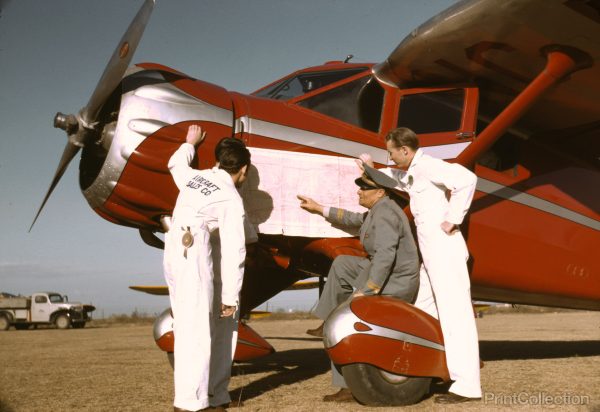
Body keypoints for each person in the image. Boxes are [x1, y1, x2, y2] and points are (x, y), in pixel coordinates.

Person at [358, 127, 481, 404]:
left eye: (391, 152)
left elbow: (467, 179)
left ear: (405, 149)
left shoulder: (429, 166)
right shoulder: (413, 170)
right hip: (431, 253)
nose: (389, 157)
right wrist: (368, 167)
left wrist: (454, 217)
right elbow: (393, 178)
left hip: (444, 248)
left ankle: (467, 385)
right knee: (422, 308)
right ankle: (429, 369)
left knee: (455, 315)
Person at [297, 176, 419, 403]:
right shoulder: (378, 209)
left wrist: (369, 290)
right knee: (343, 263)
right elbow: (352, 219)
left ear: (380, 192)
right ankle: (326, 319)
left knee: (345, 317)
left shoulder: (385, 214)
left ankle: (348, 386)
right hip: (382, 271)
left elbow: (385, 256)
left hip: (396, 281)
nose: (359, 192)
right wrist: (318, 209)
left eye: (365, 188)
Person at [164, 125, 251, 412]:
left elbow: (175, 164)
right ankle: (193, 403)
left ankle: (215, 396)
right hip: (196, 254)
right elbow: (235, 251)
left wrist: (190, 143)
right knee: (197, 330)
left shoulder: (195, 177)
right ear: (244, 170)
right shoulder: (231, 198)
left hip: (176, 251)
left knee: (190, 324)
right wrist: (230, 297)